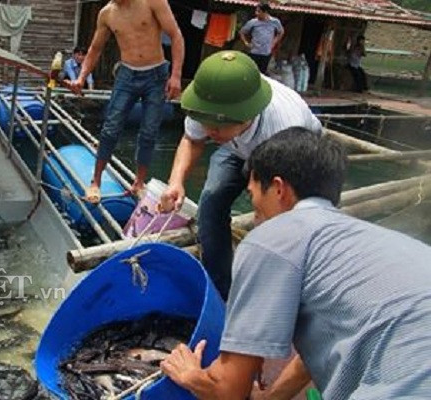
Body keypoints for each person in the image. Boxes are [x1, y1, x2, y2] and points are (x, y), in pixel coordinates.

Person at [161, 128, 431, 399]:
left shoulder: (272, 237)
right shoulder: (368, 240)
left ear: (278, 188)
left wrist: (192, 376)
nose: (254, 214)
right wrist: (271, 397)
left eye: (253, 196)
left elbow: (228, 391)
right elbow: (331, 339)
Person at [159, 50, 321, 300]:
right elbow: (192, 140)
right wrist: (176, 182)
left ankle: (279, 294)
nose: (208, 131)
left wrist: (266, 217)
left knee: (280, 227)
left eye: (217, 126)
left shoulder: (283, 126)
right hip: (237, 147)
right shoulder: (207, 107)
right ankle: (220, 291)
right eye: (205, 123)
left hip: (292, 153)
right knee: (211, 202)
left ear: (247, 116)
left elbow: (280, 197)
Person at [69, 0, 184, 203]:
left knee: (149, 132)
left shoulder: (153, 2)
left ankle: (139, 183)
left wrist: (175, 75)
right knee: (110, 128)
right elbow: (95, 48)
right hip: (127, 74)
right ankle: (95, 182)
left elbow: (175, 35)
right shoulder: (107, 13)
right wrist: (81, 77)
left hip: (156, 74)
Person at [239, 2, 284, 74]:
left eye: (258, 11)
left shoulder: (275, 22)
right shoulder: (253, 22)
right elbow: (242, 32)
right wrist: (246, 43)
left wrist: (274, 42)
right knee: (252, 72)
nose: (256, 13)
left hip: (266, 53)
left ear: (265, 12)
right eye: (256, 11)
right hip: (254, 52)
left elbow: (281, 32)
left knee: (262, 74)